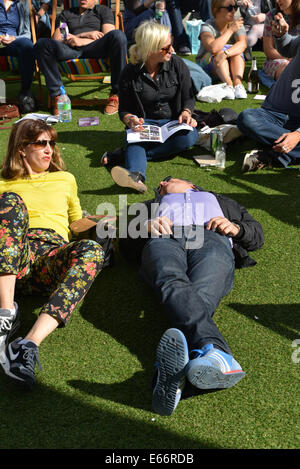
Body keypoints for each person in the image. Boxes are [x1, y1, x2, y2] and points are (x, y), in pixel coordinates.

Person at [119, 176, 264, 415]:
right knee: (169, 279)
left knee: (204, 291)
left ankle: (174, 375)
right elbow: (125, 244)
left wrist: (236, 228)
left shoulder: (220, 201)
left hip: (213, 238)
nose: (161, 185)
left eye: (166, 181)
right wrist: (145, 228)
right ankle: (215, 352)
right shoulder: (147, 208)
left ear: (191, 185)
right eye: (160, 186)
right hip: (164, 238)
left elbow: (256, 234)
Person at [0, 118, 104, 388]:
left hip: (50, 257)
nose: (49, 149)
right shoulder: (2, 182)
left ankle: (27, 344)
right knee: (11, 202)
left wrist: (101, 222)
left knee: (92, 249)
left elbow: (76, 224)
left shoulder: (65, 179)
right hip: (14, 252)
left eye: (52, 143)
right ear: (22, 148)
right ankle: (6, 312)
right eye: (40, 143)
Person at [103, 21, 198, 194]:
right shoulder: (130, 73)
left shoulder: (178, 65)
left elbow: (188, 97)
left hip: (172, 122)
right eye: (165, 48)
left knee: (189, 137)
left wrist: (186, 112)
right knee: (136, 140)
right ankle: (136, 178)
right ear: (149, 49)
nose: (171, 50)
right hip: (145, 123)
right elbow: (124, 109)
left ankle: (125, 155)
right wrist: (130, 119)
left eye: (171, 44)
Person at [34, 0, 127, 116]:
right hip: (70, 49)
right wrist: (82, 35)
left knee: (118, 36)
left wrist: (83, 40)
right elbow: (58, 38)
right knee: (42, 44)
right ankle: (58, 96)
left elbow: (109, 36)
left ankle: (116, 94)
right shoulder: (66, 14)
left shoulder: (103, 11)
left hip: (95, 48)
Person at [237, 12, 300, 171]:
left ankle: (273, 154)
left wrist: (297, 135)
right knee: (247, 118)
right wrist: (281, 36)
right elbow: (290, 49)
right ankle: (287, 149)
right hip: (275, 113)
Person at [196, 0, 248, 99]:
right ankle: (228, 84)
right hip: (208, 64)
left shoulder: (236, 22)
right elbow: (213, 48)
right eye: (229, 8)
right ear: (216, 10)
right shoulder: (207, 26)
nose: (233, 11)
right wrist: (231, 30)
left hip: (227, 61)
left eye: (235, 7)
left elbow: (243, 44)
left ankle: (237, 84)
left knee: (236, 52)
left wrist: (225, 53)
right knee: (219, 51)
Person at [0, 0, 36, 113]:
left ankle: (25, 93)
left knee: (27, 46)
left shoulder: (22, 3)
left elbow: (26, 33)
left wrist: (13, 39)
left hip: (14, 43)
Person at [262, 0, 300, 82]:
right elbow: (269, 50)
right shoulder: (272, 15)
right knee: (287, 67)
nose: (277, 1)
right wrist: (289, 59)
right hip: (278, 61)